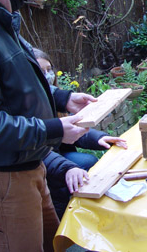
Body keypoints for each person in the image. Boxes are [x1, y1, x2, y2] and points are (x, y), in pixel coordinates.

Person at [0, 0, 94, 251]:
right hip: (7, 178)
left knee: (53, 241)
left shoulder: (6, 25)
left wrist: (63, 98)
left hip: (32, 166)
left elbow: (18, 87)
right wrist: (54, 128)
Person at [33, 47, 128, 218]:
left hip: (57, 154)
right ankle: (64, 216)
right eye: (41, 72)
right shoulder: (27, 107)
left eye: (49, 70)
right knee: (84, 163)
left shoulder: (53, 98)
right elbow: (35, 150)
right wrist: (67, 168)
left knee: (89, 161)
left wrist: (100, 137)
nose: (47, 75)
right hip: (39, 163)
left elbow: (73, 130)